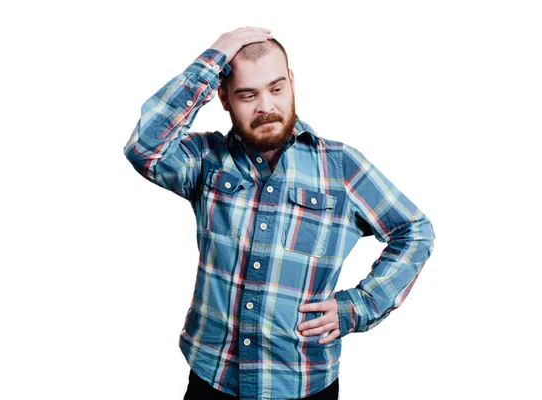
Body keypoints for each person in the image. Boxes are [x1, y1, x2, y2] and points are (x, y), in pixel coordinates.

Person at [123, 26, 436, 400]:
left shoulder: (340, 167)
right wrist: (215, 56)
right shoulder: (205, 160)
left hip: (304, 383)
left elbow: (414, 230)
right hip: (212, 378)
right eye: (247, 95)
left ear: (291, 81)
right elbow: (145, 146)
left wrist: (360, 306)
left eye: (276, 88)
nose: (266, 107)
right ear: (223, 97)